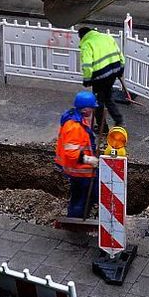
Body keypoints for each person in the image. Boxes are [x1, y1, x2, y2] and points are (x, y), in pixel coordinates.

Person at [54, 90, 101, 218]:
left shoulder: (78, 119)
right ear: (85, 109)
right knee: (82, 198)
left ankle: (81, 216)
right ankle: (75, 221)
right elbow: (71, 153)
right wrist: (89, 160)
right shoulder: (74, 127)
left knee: (84, 195)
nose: (93, 111)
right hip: (79, 171)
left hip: (79, 170)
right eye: (92, 108)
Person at [78, 26, 125, 127]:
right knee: (108, 98)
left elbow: (87, 65)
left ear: (81, 36)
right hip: (113, 72)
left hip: (100, 76)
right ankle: (119, 120)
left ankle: (102, 127)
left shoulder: (87, 44)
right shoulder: (107, 37)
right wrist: (121, 69)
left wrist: (87, 79)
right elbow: (120, 55)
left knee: (98, 102)